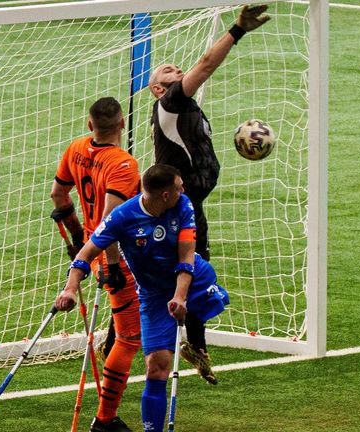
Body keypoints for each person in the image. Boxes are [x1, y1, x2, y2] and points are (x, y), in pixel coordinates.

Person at [146, 4, 270, 384]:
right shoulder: (169, 103)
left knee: (195, 275)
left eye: (176, 68)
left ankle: (195, 346)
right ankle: (122, 337)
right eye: (167, 70)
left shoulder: (186, 106)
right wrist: (237, 30)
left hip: (190, 207)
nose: (177, 71)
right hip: (172, 212)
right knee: (166, 278)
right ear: (156, 87)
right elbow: (205, 64)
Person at [55, 164, 230, 432]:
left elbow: (186, 258)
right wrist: (69, 288)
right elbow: (85, 255)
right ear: (164, 195)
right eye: (179, 186)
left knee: (198, 303)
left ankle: (194, 341)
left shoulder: (183, 206)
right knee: (156, 368)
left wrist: (180, 297)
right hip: (153, 296)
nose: (183, 190)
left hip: (193, 280)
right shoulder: (123, 217)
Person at [50, 97, 142, 432]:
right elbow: (111, 222)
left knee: (127, 332)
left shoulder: (75, 148)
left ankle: (106, 416)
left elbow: (59, 197)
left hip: (92, 247)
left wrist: (77, 238)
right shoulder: (123, 164)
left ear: (91, 125)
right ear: (122, 123)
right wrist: (113, 265)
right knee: (130, 337)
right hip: (119, 256)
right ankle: (105, 421)